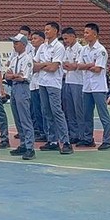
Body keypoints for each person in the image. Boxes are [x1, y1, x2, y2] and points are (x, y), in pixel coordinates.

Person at [34, 22, 72, 154]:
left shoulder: (58, 47)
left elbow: (53, 67)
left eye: (48, 30)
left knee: (56, 111)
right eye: (45, 30)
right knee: (46, 111)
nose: (46, 32)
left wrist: (41, 65)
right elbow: (33, 65)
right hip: (42, 82)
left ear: (55, 31)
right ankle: (52, 140)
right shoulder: (42, 46)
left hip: (53, 83)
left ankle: (66, 141)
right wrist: (45, 64)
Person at [78, 23, 110, 150]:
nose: (85, 35)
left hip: (98, 87)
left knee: (103, 114)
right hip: (87, 86)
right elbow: (79, 66)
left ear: (95, 34)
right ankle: (88, 138)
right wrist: (90, 65)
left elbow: (98, 69)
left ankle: (107, 140)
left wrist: (87, 66)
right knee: (86, 114)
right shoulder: (84, 49)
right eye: (84, 32)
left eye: (87, 33)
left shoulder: (101, 50)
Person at [5, 34, 36, 160]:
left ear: (23, 45)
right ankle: (23, 143)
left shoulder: (27, 59)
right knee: (17, 117)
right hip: (14, 87)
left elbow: (23, 77)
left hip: (22, 87)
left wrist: (13, 76)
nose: (14, 45)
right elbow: (7, 75)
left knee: (25, 118)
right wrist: (14, 75)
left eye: (16, 43)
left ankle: (30, 147)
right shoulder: (14, 59)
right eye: (14, 43)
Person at [61, 26, 85, 145]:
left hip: (78, 82)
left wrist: (70, 66)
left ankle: (82, 134)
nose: (65, 41)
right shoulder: (67, 50)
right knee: (69, 109)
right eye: (64, 39)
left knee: (78, 110)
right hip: (68, 80)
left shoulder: (80, 49)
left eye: (66, 38)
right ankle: (73, 134)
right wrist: (70, 66)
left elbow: (75, 66)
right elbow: (64, 65)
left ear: (73, 36)